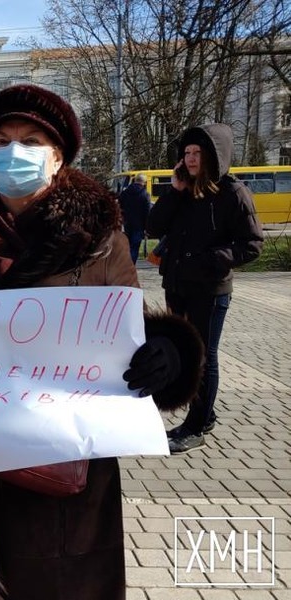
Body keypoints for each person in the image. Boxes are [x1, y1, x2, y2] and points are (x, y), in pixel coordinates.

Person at [0, 84, 204, 599]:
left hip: (59, 478)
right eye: (1, 139)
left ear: (57, 158)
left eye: (29, 140)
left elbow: (128, 328)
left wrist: (169, 354)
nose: (12, 151)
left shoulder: (100, 238)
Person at [147, 123, 263, 454]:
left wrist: (215, 258)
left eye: (198, 152)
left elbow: (252, 244)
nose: (192, 158)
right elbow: (153, 226)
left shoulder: (233, 193)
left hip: (210, 289)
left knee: (202, 356)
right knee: (186, 352)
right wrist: (174, 191)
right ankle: (205, 413)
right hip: (178, 284)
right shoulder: (183, 190)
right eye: (187, 153)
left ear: (214, 155)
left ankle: (196, 426)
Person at [118, 172, 152, 263]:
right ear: (144, 182)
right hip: (139, 225)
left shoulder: (125, 193)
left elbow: (119, 207)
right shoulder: (145, 195)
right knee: (134, 247)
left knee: (127, 246)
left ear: (135, 180)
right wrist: (147, 228)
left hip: (127, 224)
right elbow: (147, 212)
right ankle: (131, 265)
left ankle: (125, 264)